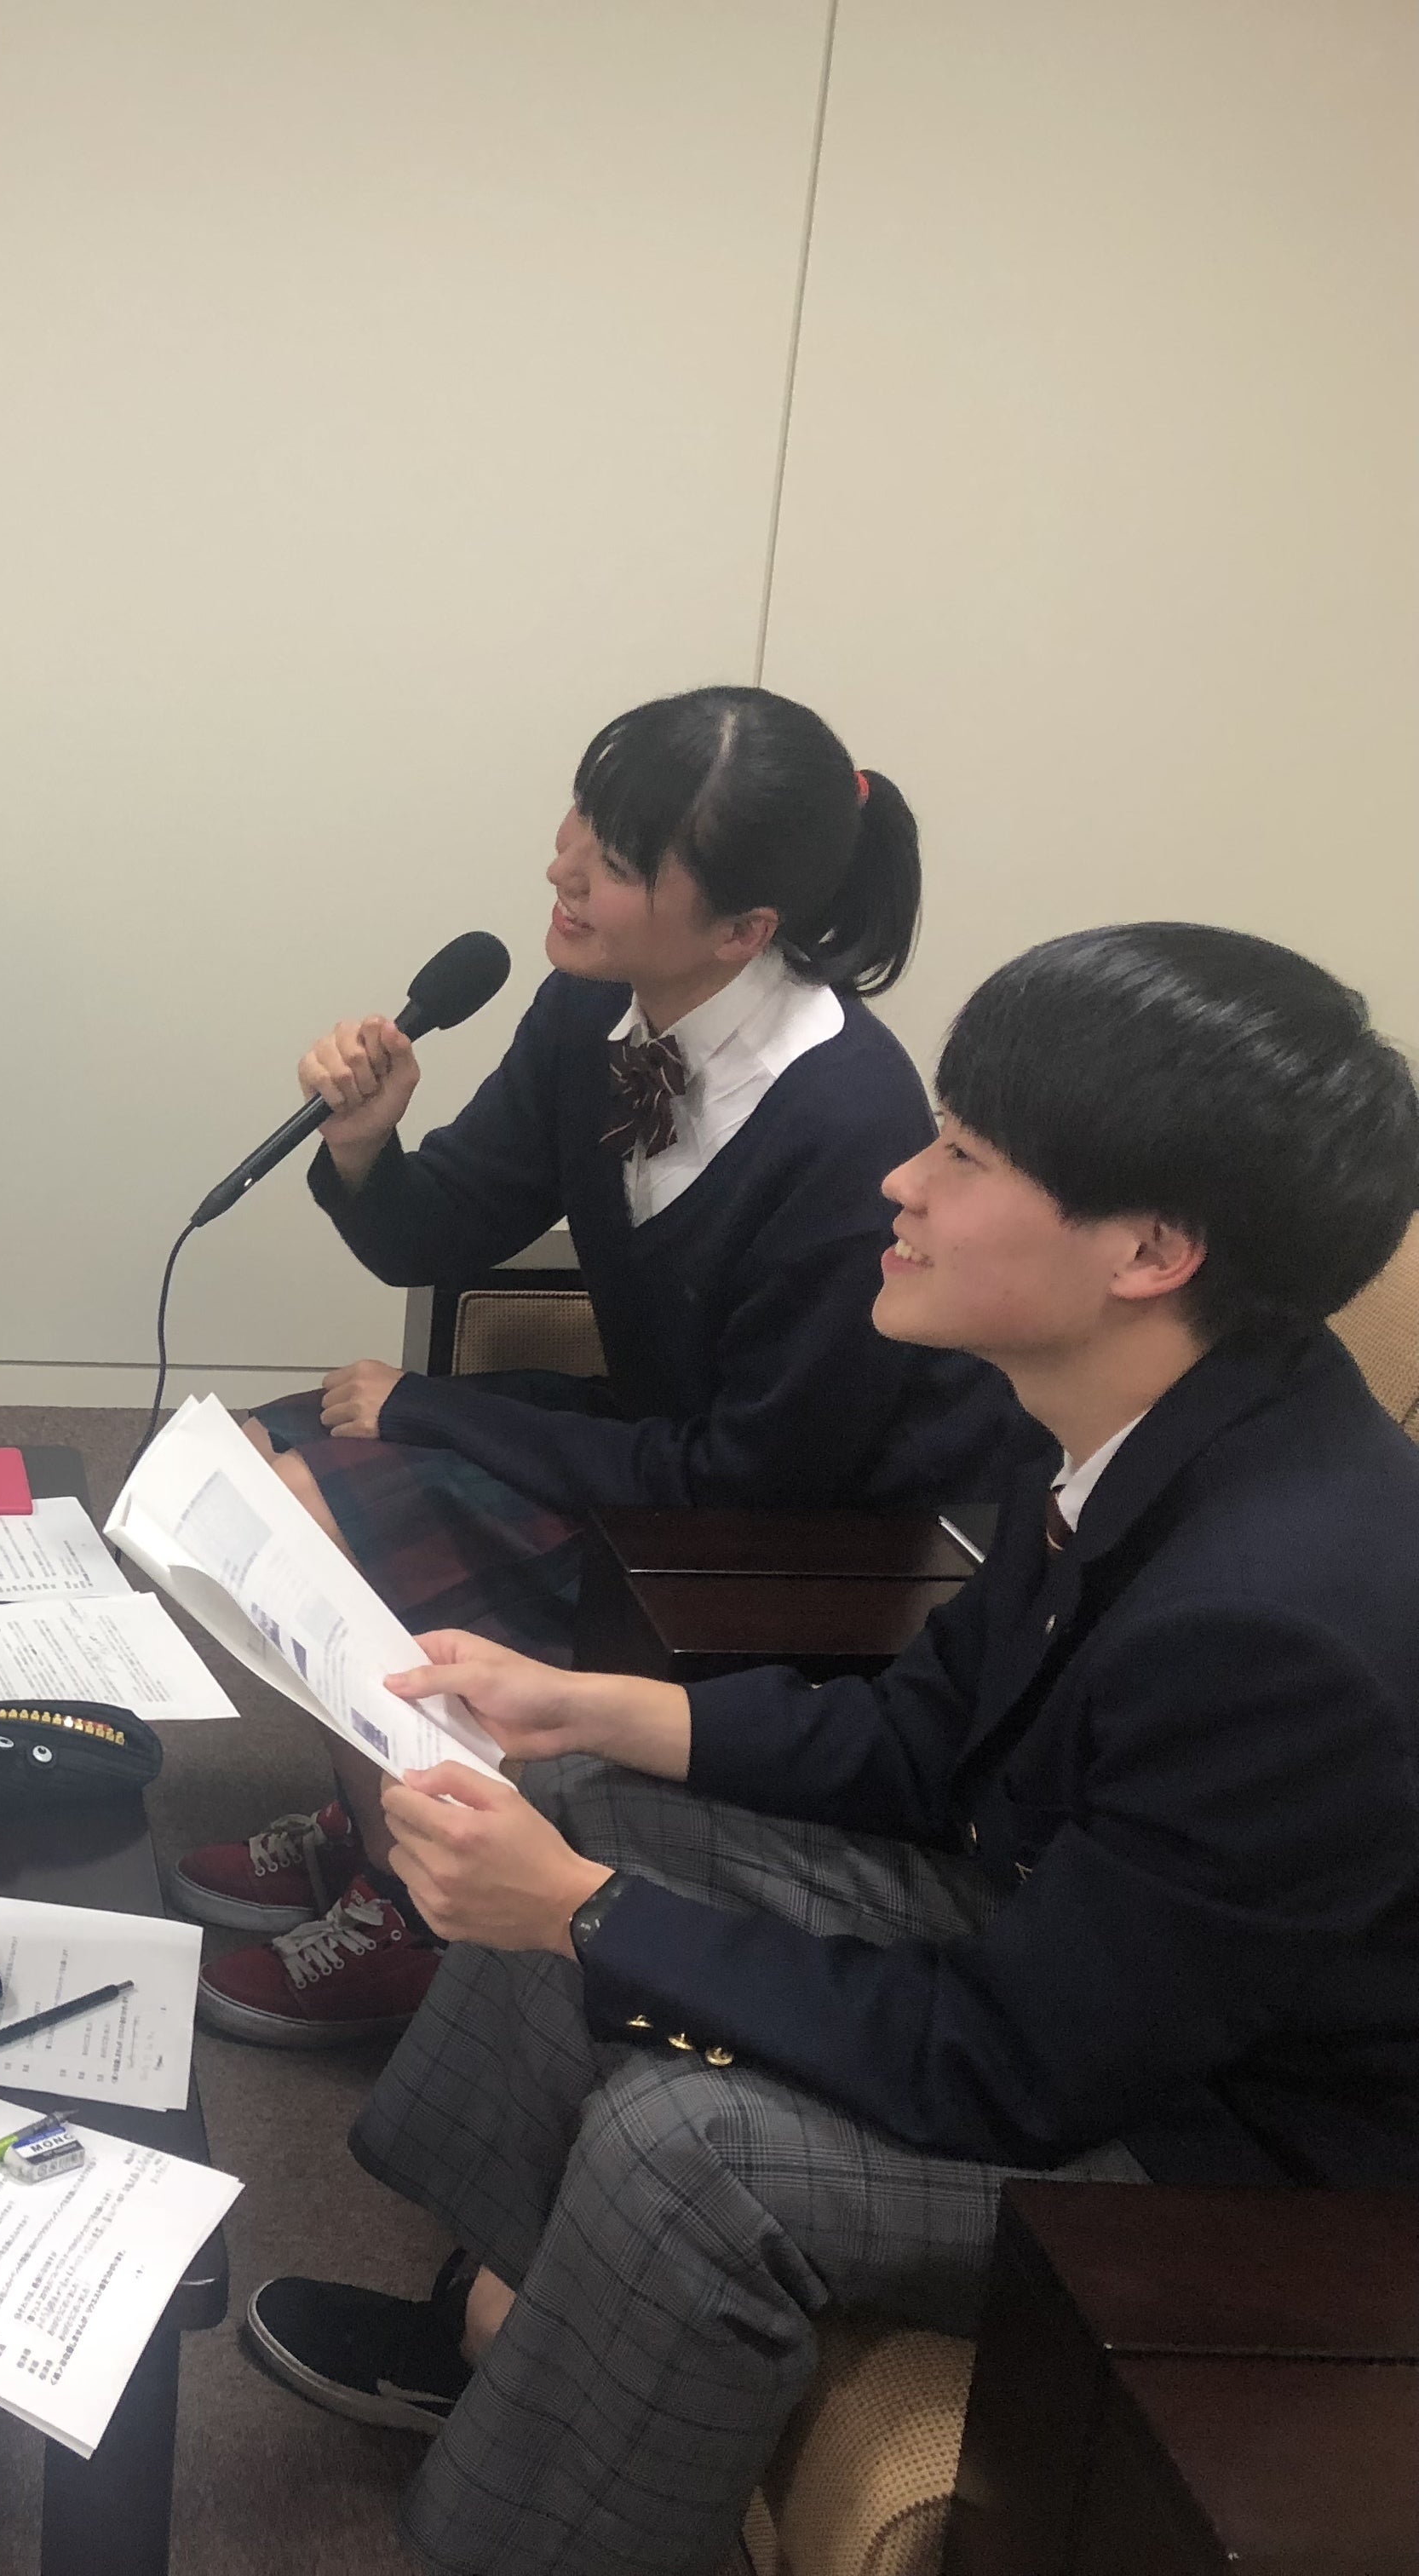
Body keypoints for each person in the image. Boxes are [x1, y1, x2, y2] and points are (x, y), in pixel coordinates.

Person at [242, 923, 1419, 2576]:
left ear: (1150, 1249)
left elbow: (1013, 2063)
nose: (901, 1184)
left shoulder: (1278, 1621)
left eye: (965, 1157)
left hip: (1234, 2143)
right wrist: (587, 1704)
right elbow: (928, 1732)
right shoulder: (1147, 1413)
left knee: (685, 2153)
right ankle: (503, 2343)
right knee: (577, 1791)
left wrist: (581, 1913)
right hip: (1082, 1955)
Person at [178, 687, 1042, 2048]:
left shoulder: (843, 1121)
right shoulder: (592, 1009)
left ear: (743, 930)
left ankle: (417, 1910)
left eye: (619, 858)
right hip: (670, 1444)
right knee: (244, 1472)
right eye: (582, 818)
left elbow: (754, 1475)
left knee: (310, 1502)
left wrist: (431, 1411)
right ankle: (374, 1820)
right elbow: (435, 1233)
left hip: (806, 1535)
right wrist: (367, 1143)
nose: (562, 867)